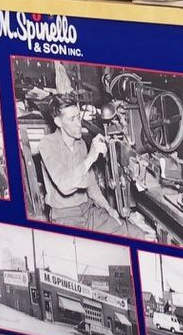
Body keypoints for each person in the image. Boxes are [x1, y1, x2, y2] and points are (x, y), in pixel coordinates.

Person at [33, 97, 125, 234]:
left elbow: (91, 185)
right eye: (72, 119)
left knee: (129, 232)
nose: (78, 124)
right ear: (58, 122)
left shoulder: (80, 143)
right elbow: (65, 187)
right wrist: (90, 157)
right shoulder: (47, 144)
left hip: (87, 210)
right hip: (65, 215)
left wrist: (108, 208)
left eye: (78, 117)